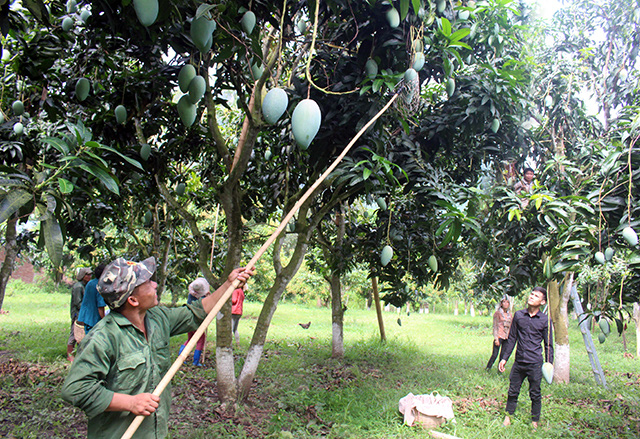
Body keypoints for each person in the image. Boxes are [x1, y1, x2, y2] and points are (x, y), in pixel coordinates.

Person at [61, 257, 254, 439]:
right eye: (147, 283)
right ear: (133, 300)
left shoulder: (157, 318)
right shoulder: (103, 338)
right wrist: (131, 403)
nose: (154, 284)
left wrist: (229, 285)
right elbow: (76, 389)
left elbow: (197, 311)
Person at [498, 287, 554, 429]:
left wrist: (549, 364)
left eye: (536, 296)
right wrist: (504, 358)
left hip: (535, 363)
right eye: (531, 294)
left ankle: (535, 421)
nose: (532, 297)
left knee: (535, 393)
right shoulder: (518, 315)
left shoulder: (545, 320)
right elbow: (512, 338)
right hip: (519, 362)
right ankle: (508, 417)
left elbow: (548, 344)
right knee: (513, 390)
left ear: (542, 302)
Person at [177, 277, 210, 366]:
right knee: (200, 340)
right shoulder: (202, 298)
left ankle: (181, 356)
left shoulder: (191, 295)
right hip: (196, 321)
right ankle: (196, 361)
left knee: (190, 339)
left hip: (188, 320)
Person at [67, 267, 92, 362]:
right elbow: (78, 303)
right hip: (77, 314)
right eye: (87, 275)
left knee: (81, 334)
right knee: (74, 332)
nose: (89, 277)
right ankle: (70, 355)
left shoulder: (85, 286)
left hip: (82, 313)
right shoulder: (78, 287)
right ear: (82, 276)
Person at [76, 263, 107, 335]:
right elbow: (100, 307)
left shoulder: (90, 283)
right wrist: (105, 321)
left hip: (85, 316)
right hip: (93, 318)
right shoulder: (100, 286)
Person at [486, 295, 512, 371]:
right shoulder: (497, 313)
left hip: (506, 336)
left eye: (507, 302)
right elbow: (495, 326)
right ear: (501, 303)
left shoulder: (509, 314)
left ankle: (499, 370)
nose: (506, 304)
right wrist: (496, 338)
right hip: (499, 336)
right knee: (495, 354)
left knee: (503, 355)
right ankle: (488, 368)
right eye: (504, 302)